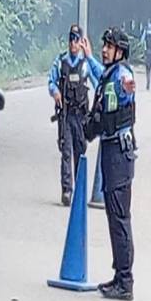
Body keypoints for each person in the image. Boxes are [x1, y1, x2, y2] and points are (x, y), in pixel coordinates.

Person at [81, 29, 137, 301]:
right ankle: (119, 276)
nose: (105, 50)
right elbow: (101, 81)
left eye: (110, 46)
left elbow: (115, 105)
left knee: (119, 218)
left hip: (119, 153)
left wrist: (90, 127)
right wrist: (90, 57)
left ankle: (125, 281)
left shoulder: (122, 75)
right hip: (111, 150)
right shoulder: (109, 73)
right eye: (104, 45)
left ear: (120, 51)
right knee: (113, 217)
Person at [47, 25, 98, 206]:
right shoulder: (61, 62)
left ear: (81, 42)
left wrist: (90, 56)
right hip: (66, 115)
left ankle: (79, 190)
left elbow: (99, 80)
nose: (73, 43)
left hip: (81, 116)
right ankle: (67, 190)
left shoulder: (86, 64)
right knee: (66, 152)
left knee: (80, 152)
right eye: (71, 39)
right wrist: (55, 92)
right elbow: (51, 81)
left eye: (76, 39)